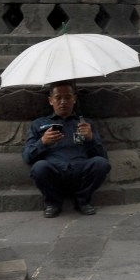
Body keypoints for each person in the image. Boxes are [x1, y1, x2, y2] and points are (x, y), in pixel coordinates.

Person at [23, 81, 111, 217]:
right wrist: (43, 142)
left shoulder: (84, 123)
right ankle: (53, 203)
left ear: (74, 99)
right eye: (58, 98)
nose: (63, 102)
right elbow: (27, 156)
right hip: (54, 170)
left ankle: (82, 201)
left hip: (81, 169)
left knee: (101, 163)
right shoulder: (39, 124)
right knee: (39, 167)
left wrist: (90, 138)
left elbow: (102, 155)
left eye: (68, 97)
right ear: (51, 101)